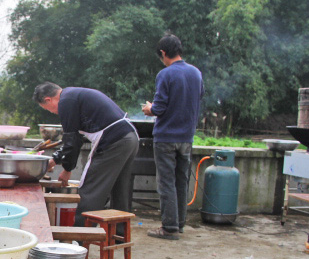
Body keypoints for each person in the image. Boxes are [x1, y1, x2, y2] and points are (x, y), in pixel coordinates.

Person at [33, 82, 139, 229]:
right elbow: (75, 139)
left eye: (48, 109)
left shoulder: (66, 102)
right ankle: (119, 233)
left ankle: (80, 237)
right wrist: (56, 159)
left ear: (48, 99)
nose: (52, 112)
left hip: (113, 142)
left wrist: (67, 169)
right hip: (130, 138)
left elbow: (72, 140)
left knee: (91, 190)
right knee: (119, 188)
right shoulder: (74, 95)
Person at [142, 33, 204, 240]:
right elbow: (197, 98)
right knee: (181, 181)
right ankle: (179, 223)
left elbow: (159, 108)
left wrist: (149, 109)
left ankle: (169, 228)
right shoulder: (196, 73)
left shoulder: (166, 74)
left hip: (166, 137)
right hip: (187, 137)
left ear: (163, 53)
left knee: (166, 182)